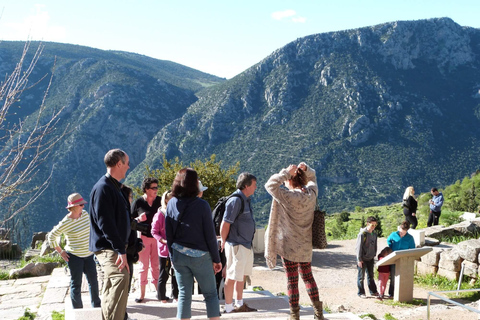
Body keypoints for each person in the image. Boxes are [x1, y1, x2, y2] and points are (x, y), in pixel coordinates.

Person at [265, 162, 324, 320]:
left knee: (292, 280)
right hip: (305, 244)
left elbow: (270, 185)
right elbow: (313, 177)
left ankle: (294, 316)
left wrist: (285, 172)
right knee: (308, 277)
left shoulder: (288, 196)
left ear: (290, 180)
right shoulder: (311, 194)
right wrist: (307, 170)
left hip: (289, 245)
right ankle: (318, 314)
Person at [166, 168, 222, 320]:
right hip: (200, 256)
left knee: (184, 295)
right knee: (210, 294)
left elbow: (168, 234)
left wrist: (172, 257)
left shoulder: (171, 203)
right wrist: (217, 260)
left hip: (178, 255)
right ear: (194, 184)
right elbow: (210, 236)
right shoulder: (202, 205)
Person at [89, 149, 131, 320]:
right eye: (127, 163)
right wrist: (121, 250)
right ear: (119, 163)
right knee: (121, 277)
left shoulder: (113, 187)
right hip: (108, 247)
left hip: (112, 246)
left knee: (110, 284)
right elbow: (105, 223)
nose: (128, 167)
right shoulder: (103, 188)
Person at [47, 193, 101, 309]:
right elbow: (51, 236)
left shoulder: (85, 214)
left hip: (89, 254)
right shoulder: (66, 222)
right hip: (74, 257)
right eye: (81, 204)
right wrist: (60, 251)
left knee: (93, 281)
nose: (83, 206)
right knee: (76, 284)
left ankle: (97, 306)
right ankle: (77, 310)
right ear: (74, 206)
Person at [220, 172, 257, 313]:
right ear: (246, 186)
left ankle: (240, 304)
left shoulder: (246, 199)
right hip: (237, 245)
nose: (255, 187)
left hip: (246, 244)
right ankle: (229, 307)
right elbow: (225, 223)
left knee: (241, 275)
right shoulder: (235, 201)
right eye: (254, 185)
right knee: (232, 275)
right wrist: (223, 241)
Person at [131, 177, 161, 302]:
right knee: (144, 266)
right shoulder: (138, 203)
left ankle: (159, 292)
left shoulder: (160, 201)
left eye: (157, 187)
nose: (156, 190)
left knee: (155, 266)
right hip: (143, 238)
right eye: (154, 188)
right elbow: (130, 221)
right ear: (146, 189)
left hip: (157, 238)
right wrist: (139, 219)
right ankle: (141, 294)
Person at [151, 189, 178, 302]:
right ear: (166, 200)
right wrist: (162, 240)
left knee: (176, 273)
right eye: (171, 198)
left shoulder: (175, 212)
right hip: (164, 250)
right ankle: (161, 296)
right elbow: (154, 231)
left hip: (175, 247)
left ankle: (176, 295)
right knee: (164, 273)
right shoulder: (159, 215)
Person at [387, 221, 416, 297]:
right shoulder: (393, 234)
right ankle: (391, 293)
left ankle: (402, 293)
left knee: (403, 276)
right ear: (399, 228)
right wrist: (391, 247)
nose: (401, 234)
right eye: (400, 232)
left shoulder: (410, 238)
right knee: (393, 276)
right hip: (394, 257)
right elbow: (388, 240)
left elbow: (413, 248)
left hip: (404, 259)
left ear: (407, 231)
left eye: (403, 233)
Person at [355, 216, 379, 299]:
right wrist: (359, 259)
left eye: (375, 225)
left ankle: (373, 291)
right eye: (372, 225)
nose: (373, 227)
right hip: (362, 259)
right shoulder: (362, 234)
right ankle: (361, 292)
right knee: (361, 277)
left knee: (371, 276)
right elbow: (358, 247)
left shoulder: (374, 234)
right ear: (367, 224)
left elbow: (375, 245)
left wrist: (374, 255)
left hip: (370, 258)